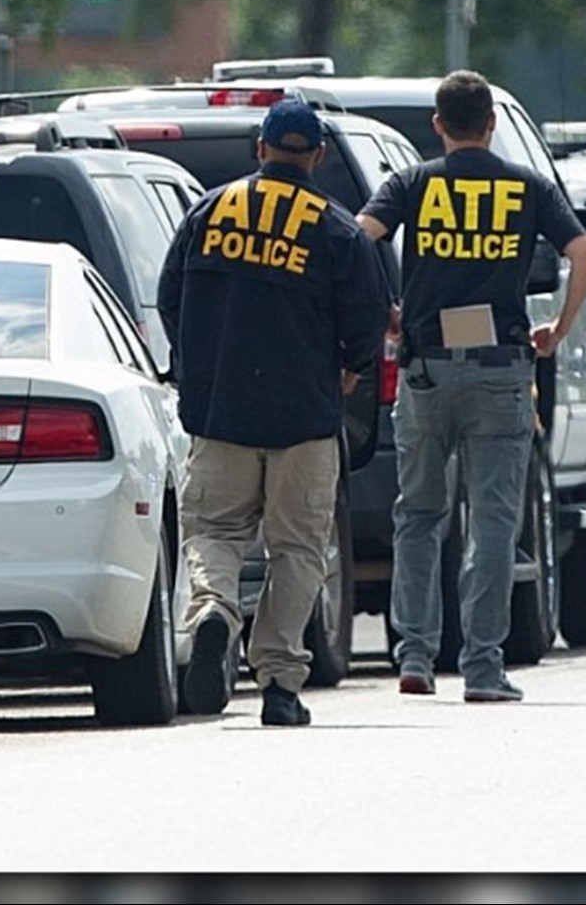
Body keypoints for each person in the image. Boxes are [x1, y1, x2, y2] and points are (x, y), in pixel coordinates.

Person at [355, 70, 586, 702]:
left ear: (438, 125)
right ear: (491, 124)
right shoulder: (526, 187)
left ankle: (414, 657)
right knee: (492, 521)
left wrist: (386, 309)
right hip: (501, 368)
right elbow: (585, 256)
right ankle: (483, 667)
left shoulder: (413, 183)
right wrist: (558, 329)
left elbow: (359, 238)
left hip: (426, 368)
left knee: (418, 515)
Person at [159, 96, 391, 727]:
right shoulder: (337, 228)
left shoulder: (209, 211)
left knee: (213, 532)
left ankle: (213, 612)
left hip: (220, 413)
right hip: (305, 419)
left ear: (260, 148)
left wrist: (197, 366)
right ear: (315, 156)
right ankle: (280, 685)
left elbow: (169, 297)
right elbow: (369, 321)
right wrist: (349, 364)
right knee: (298, 550)